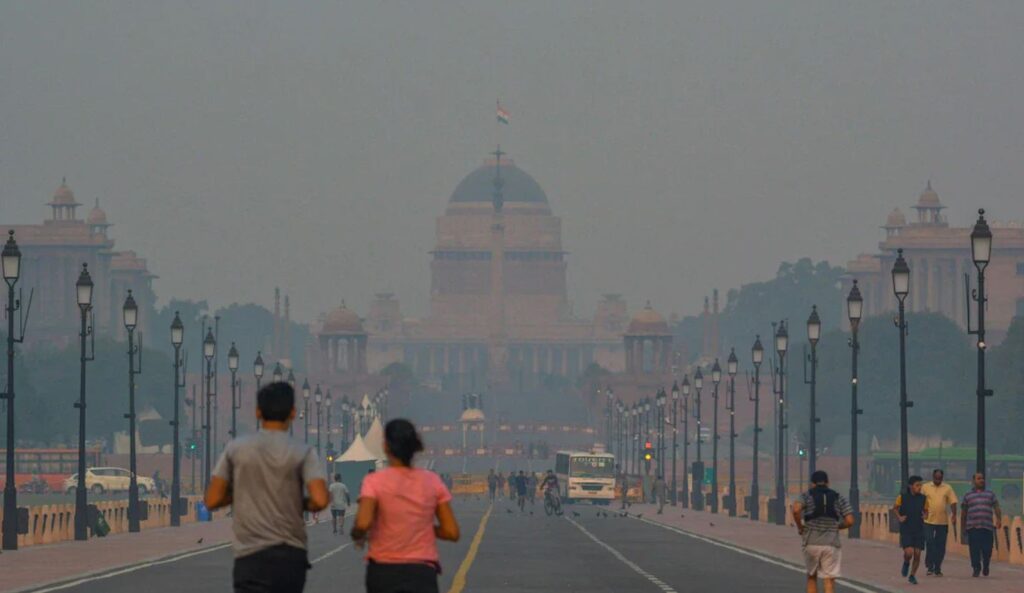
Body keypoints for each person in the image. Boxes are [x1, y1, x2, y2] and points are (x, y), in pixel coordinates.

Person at [205, 382, 329, 593]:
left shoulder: (236, 448)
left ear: (257, 412)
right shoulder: (303, 451)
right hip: (290, 554)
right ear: (292, 413)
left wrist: (243, 492)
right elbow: (320, 500)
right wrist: (294, 501)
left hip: (250, 555)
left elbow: (212, 499)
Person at [351, 419, 460, 593]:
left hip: (383, 571)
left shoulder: (374, 481)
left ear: (386, 446)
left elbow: (363, 523)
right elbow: (451, 532)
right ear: (414, 448)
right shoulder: (432, 481)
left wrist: (357, 534)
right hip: (421, 572)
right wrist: (421, 527)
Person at [792, 470, 855, 593]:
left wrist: (800, 527)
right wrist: (836, 526)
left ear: (812, 483)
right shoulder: (838, 497)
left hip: (811, 542)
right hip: (831, 544)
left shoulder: (806, 495)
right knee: (829, 579)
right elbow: (850, 521)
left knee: (811, 577)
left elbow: (795, 510)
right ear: (828, 482)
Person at [962, 472, 1002, 578]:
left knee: (987, 549)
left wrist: (999, 519)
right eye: (979, 478)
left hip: (987, 527)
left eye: (983, 478)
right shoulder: (968, 495)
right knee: (974, 549)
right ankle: (976, 567)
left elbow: (996, 506)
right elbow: (964, 512)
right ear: (974, 481)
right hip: (973, 527)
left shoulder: (990, 494)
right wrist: (963, 527)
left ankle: (986, 565)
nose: (981, 480)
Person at [922, 469, 957, 576]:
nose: (938, 479)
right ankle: (929, 565)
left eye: (940, 478)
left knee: (940, 545)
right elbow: (920, 500)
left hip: (942, 522)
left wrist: (954, 515)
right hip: (928, 520)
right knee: (930, 542)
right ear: (933, 477)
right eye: (936, 477)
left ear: (942, 478)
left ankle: (937, 567)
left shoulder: (947, 488)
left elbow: (953, 502)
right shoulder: (926, 487)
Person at [894, 476, 928, 584]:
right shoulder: (902, 497)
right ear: (910, 486)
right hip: (907, 528)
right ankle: (906, 562)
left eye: (920, 485)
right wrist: (899, 517)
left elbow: (926, 510)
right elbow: (895, 508)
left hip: (919, 528)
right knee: (909, 552)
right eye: (917, 485)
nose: (919, 487)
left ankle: (912, 575)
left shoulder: (923, 498)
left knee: (917, 554)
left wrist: (925, 515)